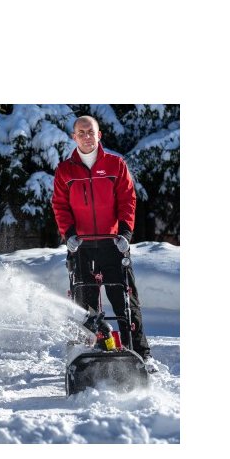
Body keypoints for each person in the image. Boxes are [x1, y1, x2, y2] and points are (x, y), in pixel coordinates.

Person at [51, 115, 154, 370]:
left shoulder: (115, 165)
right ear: (74, 137)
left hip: (113, 244)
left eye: (91, 132)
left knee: (125, 300)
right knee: (84, 303)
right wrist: (69, 234)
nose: (86, 136)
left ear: (99, 135)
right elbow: (60, 205)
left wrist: (125, 234)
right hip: (81, 246)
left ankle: (141, 353)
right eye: (81, 132)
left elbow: (128, 200)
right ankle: (88, 352)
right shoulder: (65, 170)